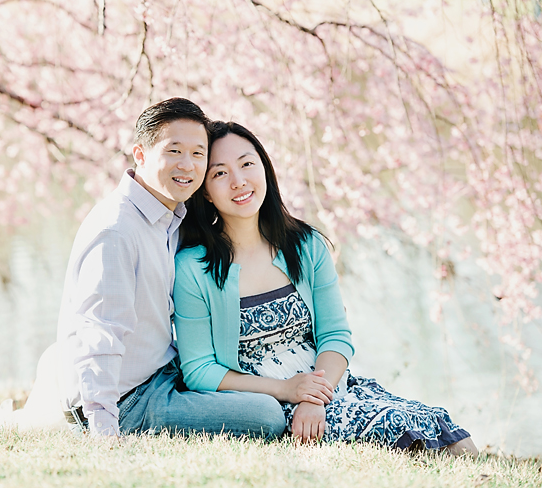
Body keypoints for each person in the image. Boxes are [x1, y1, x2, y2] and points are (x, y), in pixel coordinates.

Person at [172, 121, 478, 455]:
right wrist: (287, 391)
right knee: (413, 439)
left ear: (264, 167)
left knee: (447, 433)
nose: (239, 181)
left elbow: (335, 335)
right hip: (266, 401)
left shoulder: (306, 245)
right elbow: (199, 370)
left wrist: (314, 395)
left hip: (330, 387)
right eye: (220, 174)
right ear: (205, 191)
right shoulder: (193, 268)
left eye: (247, 164)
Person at [56, 99, 287, 438]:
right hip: (128, 401)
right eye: (174, 151)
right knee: (266, 415)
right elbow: (99, 334)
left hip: (163, 372)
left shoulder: (169, 217)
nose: (188, 165)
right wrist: (104, 431)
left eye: (198, 154)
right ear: (140, 155)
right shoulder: (117, 230)